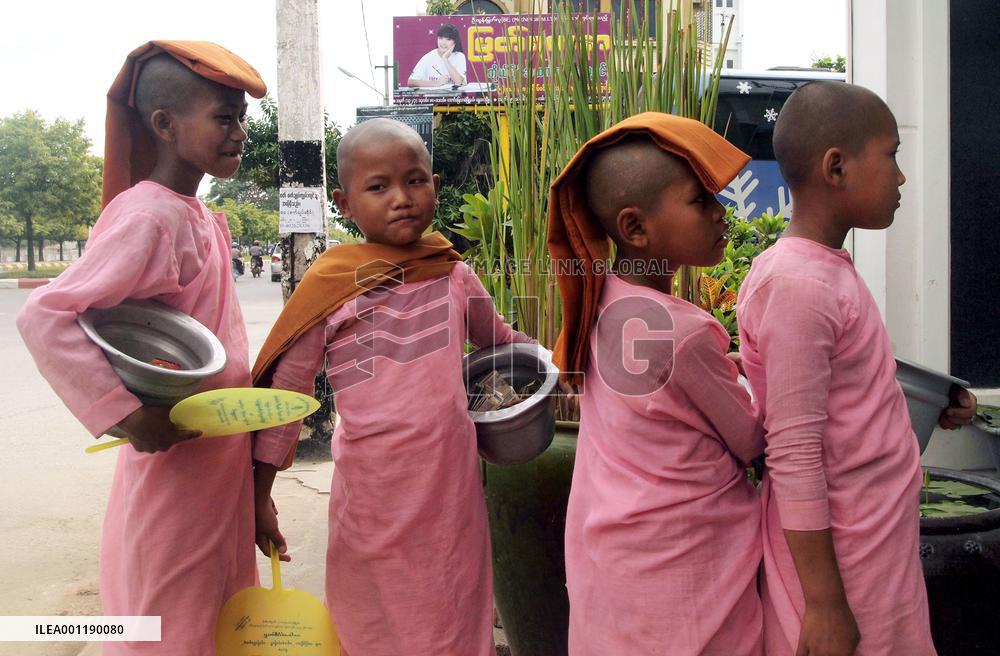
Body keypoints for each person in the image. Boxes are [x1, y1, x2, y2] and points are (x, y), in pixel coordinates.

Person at [15, 41, 266, 655]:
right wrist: (126, 414)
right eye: (223, 118)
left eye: (242, 119)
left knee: (217, 610)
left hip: (217, 460)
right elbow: (46, 315)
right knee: (169, 618)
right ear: (164, 124)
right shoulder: (150, 216)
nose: (239, 133)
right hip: (175, 460)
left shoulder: (198, 215)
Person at [251, 118, 533, 656]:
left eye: (416, 180)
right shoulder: (333, 285)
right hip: (372, 490)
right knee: (374, 613)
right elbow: (288, 392)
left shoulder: (449, 272)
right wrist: (259, 492)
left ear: (435, 185)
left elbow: (500, 344)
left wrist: (554, 362)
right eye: (378, 187)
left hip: (450, 487)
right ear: (344, 202)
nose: (402, 199)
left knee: (452, 600)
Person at [736, 81, 978, 656]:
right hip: (841, 568)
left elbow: (846, 394)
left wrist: (927, 403)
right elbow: (794, 452)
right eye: (891, 154)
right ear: (836, 167)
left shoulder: (824, 272)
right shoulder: (797, 286)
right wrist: (823, 605)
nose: (900, 177)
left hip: (874, 552)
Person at [548, 112, 766, 655]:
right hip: (684, 562)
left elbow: (659, 400)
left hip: (614, 550)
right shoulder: (686, 333)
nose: (722, 215)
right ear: (636, 228)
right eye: (701, 201)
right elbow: (752, 440)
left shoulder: (599, 306)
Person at [406, 23, 467, 87]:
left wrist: (445, 59)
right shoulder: (428, 57)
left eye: (448, 39)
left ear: (455, 42)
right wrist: (436, 82)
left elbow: (459, 82)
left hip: (454, 97)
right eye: (440, 38)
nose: (443, 43)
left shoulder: (459, 56)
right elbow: (411, 82)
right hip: (431, 96)